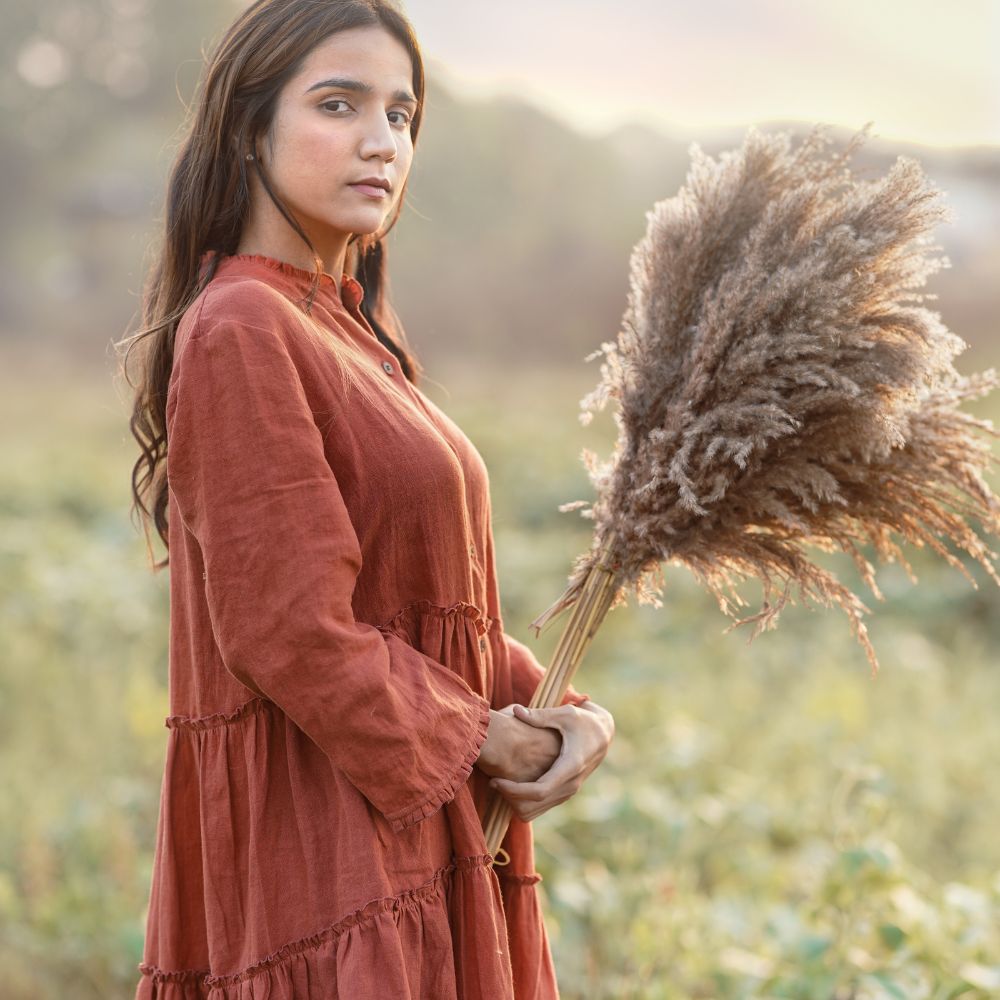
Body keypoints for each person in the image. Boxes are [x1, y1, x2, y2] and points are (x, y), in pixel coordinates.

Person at [117, 1, 615, 997]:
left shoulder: (346, 329)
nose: (380, 141)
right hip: (329, 863)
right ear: (249, 127)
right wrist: (478, 733)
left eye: (401, 114)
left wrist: (569, 714)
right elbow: (291, 628)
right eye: (338, 105)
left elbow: (413, 612)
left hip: (411, 836)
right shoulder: (242, 326)